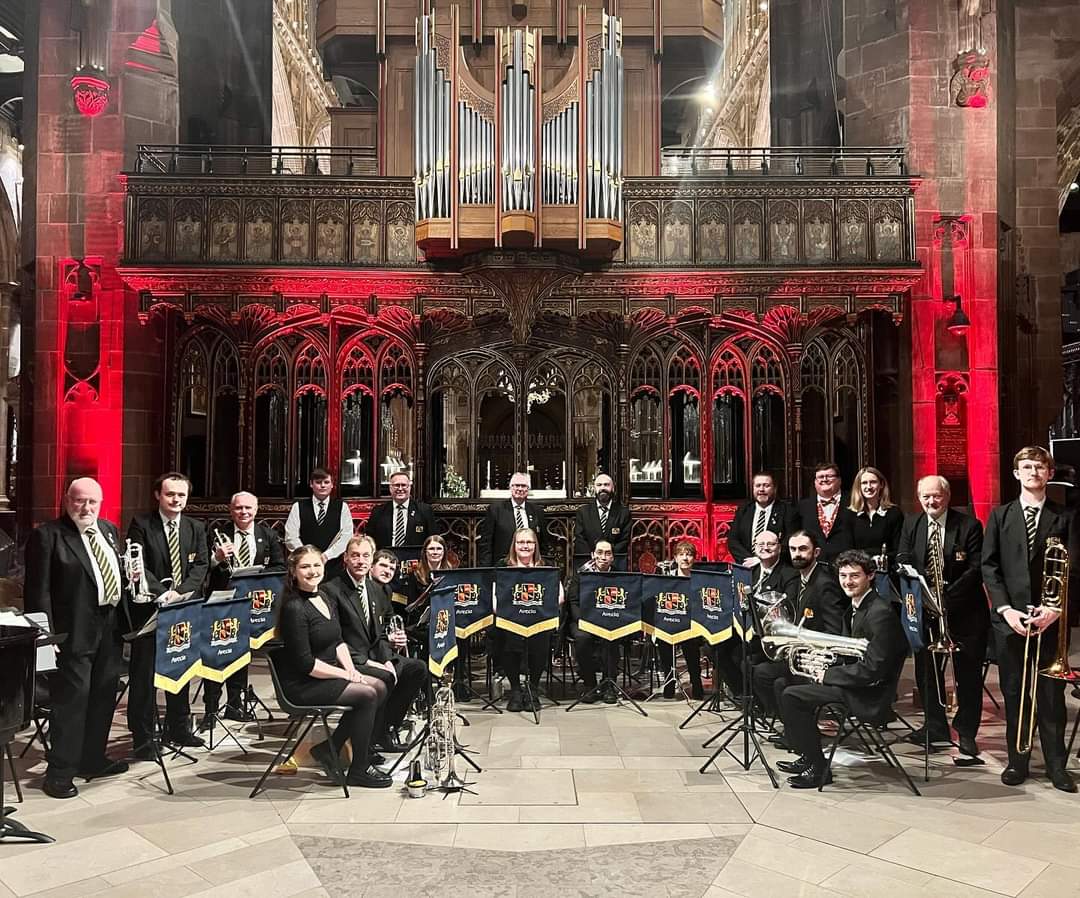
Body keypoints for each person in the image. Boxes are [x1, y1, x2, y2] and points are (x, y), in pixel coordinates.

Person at [24, 478, 129, 799]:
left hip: (110, 626)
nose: (86, 508)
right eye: (79, 501)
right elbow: (36, 590)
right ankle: (60, 771)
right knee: (72, 702)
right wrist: (46, 635)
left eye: (92, 502)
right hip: (71, 631)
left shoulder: (109, 531)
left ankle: (92, 759)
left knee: (102, 695)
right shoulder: (48, 536)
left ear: (101, 503)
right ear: (67, 500)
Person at [982, 446, 1077, 793]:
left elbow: (1075, 569)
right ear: (1015, 473)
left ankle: (1056, 766)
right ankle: (1017, 761)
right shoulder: (1000, 516)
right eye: (1026, 466)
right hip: (1012, 621)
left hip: (1051, 619)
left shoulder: (1065, 517)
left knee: (1052, 697)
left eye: (1040, 466)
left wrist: (1056, 609)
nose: (1033, 471)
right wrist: (1006, 609)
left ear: (1049, 474)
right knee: (1015, 692)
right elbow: (989, 567)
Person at [776, 550, 908, 788]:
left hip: (869, 694)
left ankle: (820, 768)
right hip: (855, 684)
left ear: (870, 576)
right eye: (843, 575)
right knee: (783, 684)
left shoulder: (879, 614)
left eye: (855, 576)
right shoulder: (857, 606)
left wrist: (828, 674)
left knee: (792, 696)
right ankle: (808, 754)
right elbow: (850, 656)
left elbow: (872, 670)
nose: (848, 581)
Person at [275, 545, 391, 788]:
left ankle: (331, 747)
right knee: (367, 693)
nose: (312, 571)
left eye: (316, 565)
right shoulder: (294, 608)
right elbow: (306, 664)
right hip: (304, 683)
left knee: (378, 686)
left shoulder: (324, 597)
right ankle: (359, 768)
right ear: (294, 571)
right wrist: (346, 675)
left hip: (326, 674)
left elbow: (338, 641)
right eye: (305, 566)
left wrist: (353, 672)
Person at [897, 475, 987, 757]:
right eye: (925, 497)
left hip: (964, 610)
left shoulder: (969, 525)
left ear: (946, 497)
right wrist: (923, 593)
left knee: (967, 673)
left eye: (936, 496)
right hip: (925, 610)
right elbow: (904, 557)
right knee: (926, 671)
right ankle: (934, 726)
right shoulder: (912, 523)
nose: (930, 502)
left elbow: (976, 568)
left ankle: (967, 731)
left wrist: (945, 599)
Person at [126, 472, 209, 756]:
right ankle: (144, 738)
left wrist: (181, 593)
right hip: (152, 608)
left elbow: (201, 565)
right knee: (145, 676)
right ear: (157, 495)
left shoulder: (196, 527)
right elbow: (138, 564)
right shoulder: (141, 524)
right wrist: (161, 594)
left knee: (182, 669)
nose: (176, 500)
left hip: (184, 608)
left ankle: (179, 728)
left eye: (181, 495)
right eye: (170, 494)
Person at [322, 536, 427, 754]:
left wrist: (387, 659)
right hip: (347, 660)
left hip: (374, 655)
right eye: (355, 556)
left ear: (371, 560)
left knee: (416, 668)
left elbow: (378, 634)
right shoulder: (331, 590)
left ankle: (384, 730)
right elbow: (334, 639)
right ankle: (362, 742)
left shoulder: (376, 589)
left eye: (365, 556)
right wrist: (373, 663)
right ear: (346, 559)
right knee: (385, 677)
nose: (360, 561)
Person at [202, 490, 285, 727]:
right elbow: (202, 568)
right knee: (216, 655)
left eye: (248, 508)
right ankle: (211, 709)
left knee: (240, 655)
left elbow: (279, 567)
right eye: (239, 508)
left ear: (256, 510)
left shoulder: (267, 534)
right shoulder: (218, 534)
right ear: (231, 510)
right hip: (221, 602)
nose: (244, 512)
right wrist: (216, 558)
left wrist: (257, 575)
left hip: (250, 605)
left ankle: (235, 705)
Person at [752, 530, 847, 724]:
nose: (797, 554)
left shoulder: (824, 583)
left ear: (816, 552)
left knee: (765, 675)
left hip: (817, 657)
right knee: (761, 671)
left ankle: (793, 728)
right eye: (793, 549)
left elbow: (833, 630)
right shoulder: (801, 578)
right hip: (801, 651)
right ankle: (790, 726)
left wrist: (804, 646)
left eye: (803, 549)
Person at [713, 530, 798, 701]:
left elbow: (787, 609)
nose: (765, 548)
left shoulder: (789, 574)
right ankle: (741, 695)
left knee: (743, 658)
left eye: (770, 544)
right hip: (746, 628)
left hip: (769, 635)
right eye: (760, 544)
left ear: (779, 548)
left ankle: (759, 703)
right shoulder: (750, 572)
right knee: (715, 647)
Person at [501, 528, 563, 712]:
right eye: (521, 542)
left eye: (529, 542)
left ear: (535, 545)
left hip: (538, 618)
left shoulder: (546, 566)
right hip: (511, 618)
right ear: (515, 545)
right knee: (505, 636)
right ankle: (515, 690)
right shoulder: (504, 566)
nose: (525, 546)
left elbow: (559, 596)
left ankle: (533, 690)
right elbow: (497, 596)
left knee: (541, 638)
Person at [566, 540, 621, 704]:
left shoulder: (620, 575)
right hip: (583, 619)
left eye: (607, 553)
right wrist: (582, 621)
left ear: (612, 557)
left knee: (612, 635)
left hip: (609, 618)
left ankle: (608, 684)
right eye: (599, 552)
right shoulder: (581, 573)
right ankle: (589, 683)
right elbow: (573, 602)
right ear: (593, 555)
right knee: (582, 638)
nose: (603, 557)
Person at [284, 468, 354, 579]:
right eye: (318, 482)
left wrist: (326, 556)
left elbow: (346, 537)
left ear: (332, 485)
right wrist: (308, 556)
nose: (322, 486)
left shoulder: (342, 507)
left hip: (333, 568)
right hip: (305, 568)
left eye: (326, 482)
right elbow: (290, 537)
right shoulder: (298, 507)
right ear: (311, 484)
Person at [656, 539, 704, 699]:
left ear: (694, 559)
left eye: (689, 555)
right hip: (671, 620)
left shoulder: (699, 579)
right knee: (663, 639)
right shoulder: (667, 578)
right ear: (675, 558)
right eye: (681, 555)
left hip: (691, 623)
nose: (685, 558)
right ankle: (669, 681)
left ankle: (696, 681)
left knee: (690, 641)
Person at [726, 472, 799, 567]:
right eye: (758, 485)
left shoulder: (788, 511)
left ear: (774, 489)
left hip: (776, 567)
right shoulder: (744, 510)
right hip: (747, 565)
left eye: (766, 486)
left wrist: (761, 559)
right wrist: (749, 560)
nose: (761, 489)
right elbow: (733, 540)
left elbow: (789, 542)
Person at [479, 472, 547, 567]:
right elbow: (486, 544)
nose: (519, 489)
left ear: (528, 489)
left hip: (531, 567)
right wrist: (486, 571)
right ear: (511, 488)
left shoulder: (537, 511)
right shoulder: (495, 510)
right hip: (503, 566)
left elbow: (543, 543)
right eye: (516, 485)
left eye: (523, 486)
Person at [365, 470, 438, 550]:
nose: (400, 489)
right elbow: (369, 539)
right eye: (396, 485)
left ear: (410, 487)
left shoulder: (424, 510)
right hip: (386, 557)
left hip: (414, 558)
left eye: (404, 485)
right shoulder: (378, 511)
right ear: (390, 488)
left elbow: (433, 539)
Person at [796, 462, 854, 562]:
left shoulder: (854, 502)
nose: (824, 479)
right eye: (820, 477)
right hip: (815, 564)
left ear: (839, 480)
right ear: (815, 482)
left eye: (829, 476)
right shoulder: (803, 506)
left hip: (846, 565)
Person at [848, 466, 903, 569]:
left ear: (881, 485)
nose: (868, 487)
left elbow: (898, 549)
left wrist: (880, 559)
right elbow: (848, 550)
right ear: (858, 487)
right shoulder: (850, 515)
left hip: (886, 572)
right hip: (858, 571)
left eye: (873, 482)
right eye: (864, 483)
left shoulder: (894, 513)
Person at [573, 473, 632, 558]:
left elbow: (624, 540)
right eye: (599, 485)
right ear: (594, 488)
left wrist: (608, 555)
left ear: (613, 488)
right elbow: (580, 539)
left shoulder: (623, 513)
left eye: (606, 485)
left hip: (614, 561)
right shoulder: (583, 512)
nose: (603, 488)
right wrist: (595, 556)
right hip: (589, 561)